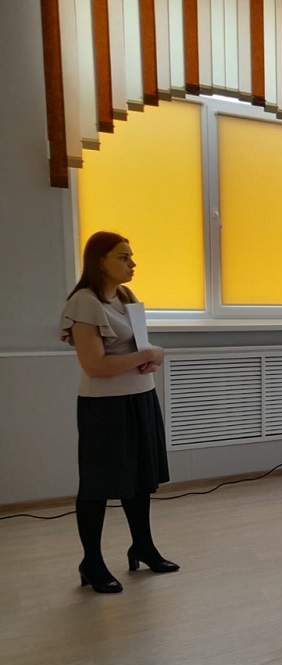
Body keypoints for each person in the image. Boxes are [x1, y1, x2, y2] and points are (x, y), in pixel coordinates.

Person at [60, 231, 178, 594]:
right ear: (100, 261)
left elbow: (138, 346)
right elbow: (95, 366)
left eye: (131, 256)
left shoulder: (126, 296)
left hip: (140, 398)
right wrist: (148, 355)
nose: (132, 263)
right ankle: (91, 562)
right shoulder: (84, 302)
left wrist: (151, 356)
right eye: (123, 257)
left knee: (139, 479)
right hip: (104, 407)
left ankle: (143, 546)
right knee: (97, 486)